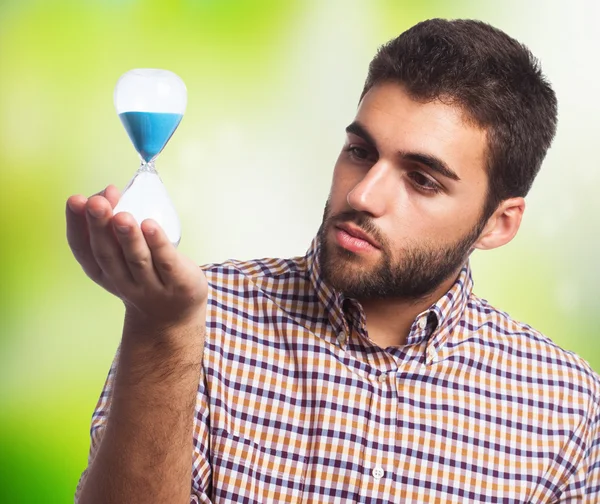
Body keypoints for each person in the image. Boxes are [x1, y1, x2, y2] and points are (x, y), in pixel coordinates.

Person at [68, 18, 600, 504]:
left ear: (498, 223)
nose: (364, 195)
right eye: (360, 152)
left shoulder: (567, 406)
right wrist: (160, 332)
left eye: (421, 179)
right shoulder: (198, 321)